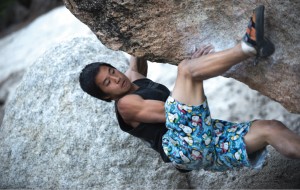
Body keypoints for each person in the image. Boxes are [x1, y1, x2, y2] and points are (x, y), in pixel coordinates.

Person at [79, 5, 300, 172]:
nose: (116, 79)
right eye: (108, 83)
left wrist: (136, 27)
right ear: (106, 96)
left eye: (112, 71)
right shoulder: (126, 105)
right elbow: (173, 113)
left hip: (209, 143)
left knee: (270, 128)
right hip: (182, 148)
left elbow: (135, 56)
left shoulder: (131, 79)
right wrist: (194, 76)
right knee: (186, 69)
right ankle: (248, 47)